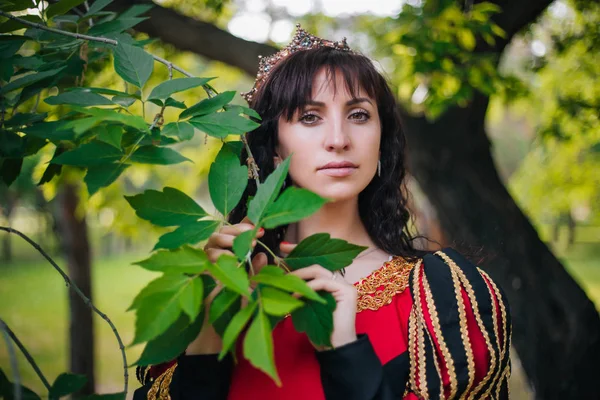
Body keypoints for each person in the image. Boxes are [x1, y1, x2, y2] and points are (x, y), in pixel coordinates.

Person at [133, 24, 511, 400]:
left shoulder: (440, 296)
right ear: (274, 146)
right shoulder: (208, 291)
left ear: (382, 140)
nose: (338, 140)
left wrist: (344, 350)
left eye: (359, 115)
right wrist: (209, 337)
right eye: (310, 117)